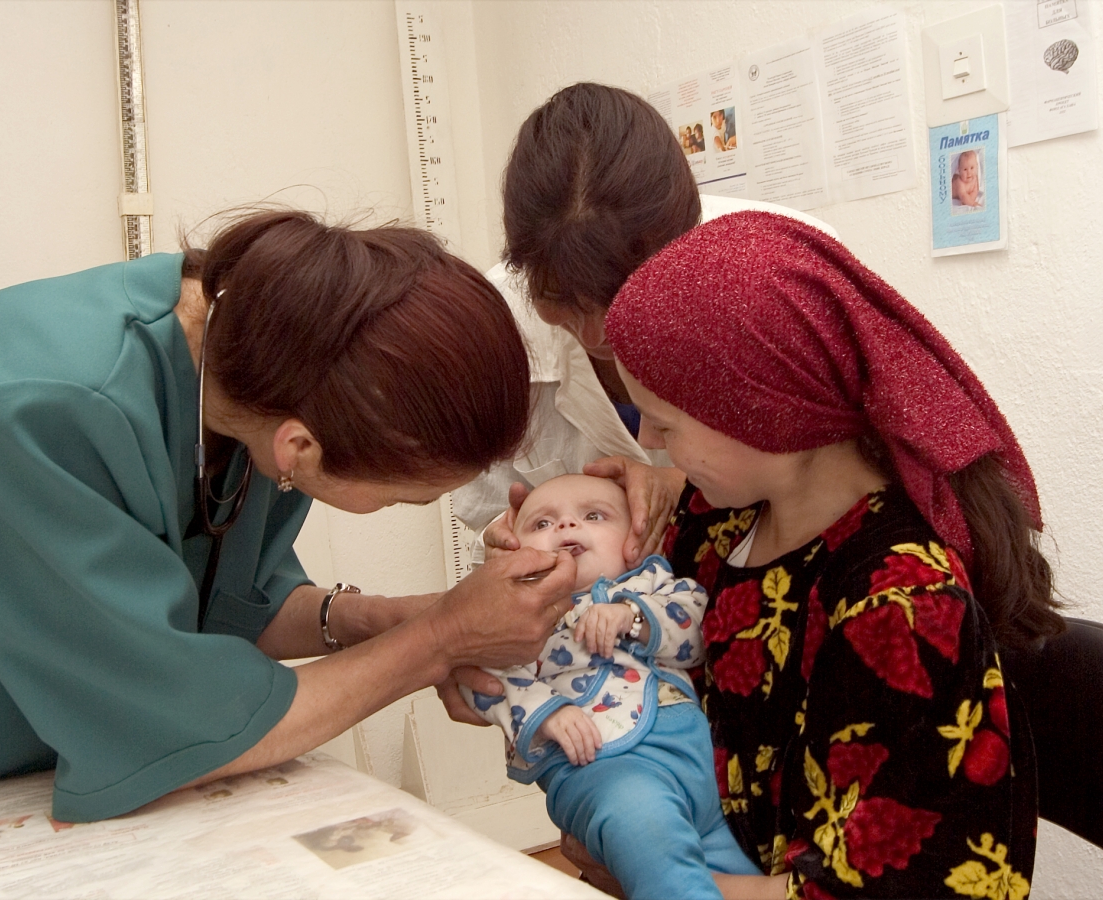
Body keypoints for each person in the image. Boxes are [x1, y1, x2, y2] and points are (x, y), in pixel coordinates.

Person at [0, 208, 578, 823]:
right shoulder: (20, 416)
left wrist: (399, 616)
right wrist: (440, 642)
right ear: (300, 450)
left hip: (16, 766)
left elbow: (230, 603)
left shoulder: (253, 364)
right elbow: (174, 725)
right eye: (405, 496)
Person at [594, 210, 1062, 898]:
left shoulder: (898, 602)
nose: (654, 445)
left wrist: (645, 870)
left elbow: (863, 891)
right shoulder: (716, 524)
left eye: (665, 422)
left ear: (768, 409)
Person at [452, 82, 836, 564]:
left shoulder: (781, 270)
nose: (596, 337)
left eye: (619, 298)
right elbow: (485, 508)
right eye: (559, 300)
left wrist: (685, 488)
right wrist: (514, 532)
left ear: (682, 241)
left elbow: (843, 480)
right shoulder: (495, 328)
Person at [463, 473, 759, 900]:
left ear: (637, 540)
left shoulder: (657, 585)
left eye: (593, 515)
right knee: (652, 844)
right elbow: (484, 680)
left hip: (702, 770)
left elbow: (699, 633)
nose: (565, 526)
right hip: (605, 770)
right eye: (542, 524)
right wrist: (548, 713)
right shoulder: (516, 614)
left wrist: (634, 617)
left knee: (734, 868)